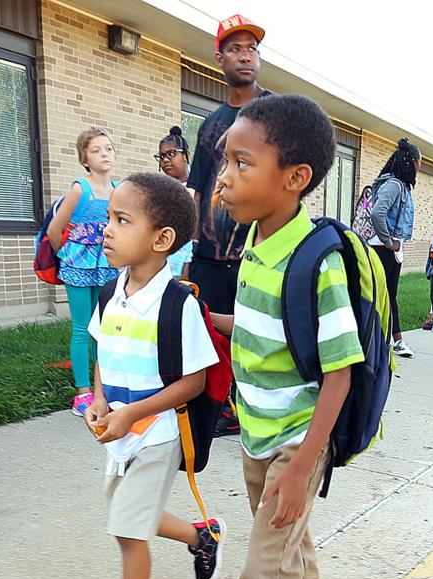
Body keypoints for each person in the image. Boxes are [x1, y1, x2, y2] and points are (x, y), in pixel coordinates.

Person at [209, 94, 360, 579]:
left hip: (297, 439)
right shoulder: (256, 240)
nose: (224, 177)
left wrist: (301, 467)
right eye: (225, 161)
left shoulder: (317, 261)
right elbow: (260, 325)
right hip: (257, 430)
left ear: (294, 178)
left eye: (242, 163)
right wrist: (210, 319)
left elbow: (340, 371)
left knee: (263, 570)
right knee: (287, 548)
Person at [77, 172, 224, 579]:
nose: (107, 229)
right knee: (132, 511)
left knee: (128, 528)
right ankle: (203, 537)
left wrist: (134, 414)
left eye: (122, 220)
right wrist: (99, 400)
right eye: (109, 218)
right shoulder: (109, 294)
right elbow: (103, 353)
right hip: (119, 432)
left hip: (157, 432)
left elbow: (194, 382)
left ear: (161, 240)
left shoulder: (178, 304)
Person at [186, 14, 271, 437]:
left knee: (257, 333)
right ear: (219, 58)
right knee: (207, 331)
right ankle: (221, 407)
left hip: (257, 250)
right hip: (210, 253)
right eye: (235, 49)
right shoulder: (211, 124)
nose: (244, 56)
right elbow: (199, 190)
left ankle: (256, 406)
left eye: (251, 49)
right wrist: (190, 249)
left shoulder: (274, 114)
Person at [48, 127, 120, 417]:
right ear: (84, 159)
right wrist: (67, 256)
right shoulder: (80, 189)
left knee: (104, 327)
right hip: (78, 265)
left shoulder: (118, 190)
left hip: (107, 265)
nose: (104, 154)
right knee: (81, 328)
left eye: (108, 149)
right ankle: (83, 392)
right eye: (96, 150)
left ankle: (104, 388)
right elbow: (54, 230)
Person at [368, 138, 420, 358]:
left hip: (390, 249)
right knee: (380, 295)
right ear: (411, 162)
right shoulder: (394, 184)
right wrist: (389, 242)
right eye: (419, 162)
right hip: (381, 248)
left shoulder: (401, 185)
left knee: (389, 295)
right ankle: (384, 340)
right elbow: (377, 213)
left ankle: (393, 340)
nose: (419, 166)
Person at [157, 126, 195, 279]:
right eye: (161, 156)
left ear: (186, 155)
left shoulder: (197, 189)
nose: (165, 160)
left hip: (191, 258)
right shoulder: (159, 190)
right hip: (165, 256)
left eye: (171, 154)